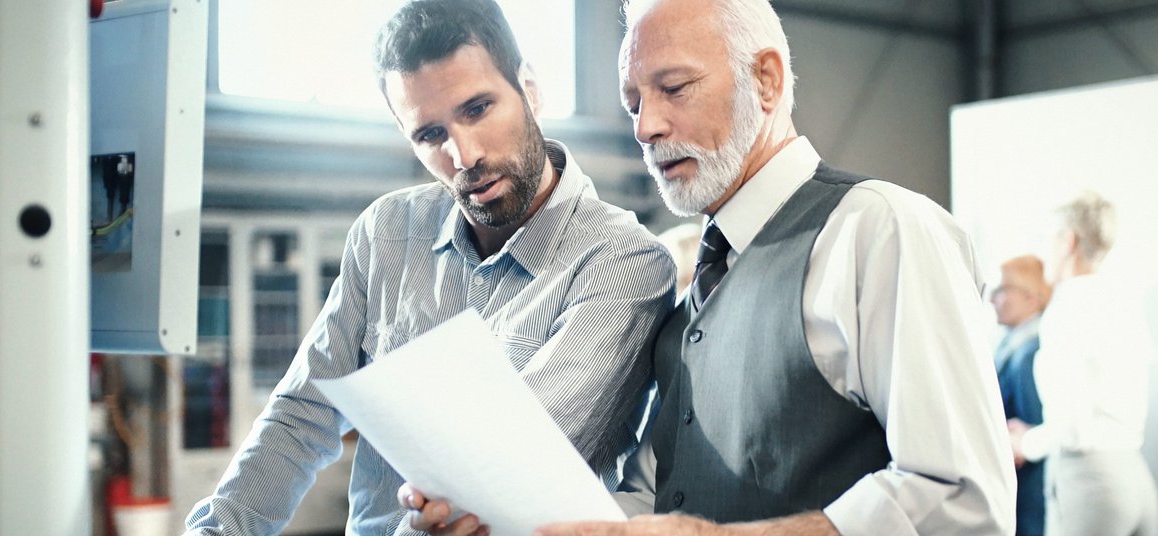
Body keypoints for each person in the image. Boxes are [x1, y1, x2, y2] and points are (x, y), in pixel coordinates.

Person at [405, 0, 1015, 533]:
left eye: (674, 88)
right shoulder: (695, 289)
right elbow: (654, 494)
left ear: (767, 80)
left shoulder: (879, 229)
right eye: (633, 102)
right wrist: (492, 514)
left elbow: (962, 500)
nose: (646, 126)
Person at [183, 0, 675, 533]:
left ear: (529, 90)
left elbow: (495, 475)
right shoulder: (388, 233)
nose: (463, 156)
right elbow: (302, 415)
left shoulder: (624, 263)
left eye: (477, 108)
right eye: (430, 135)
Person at [1008, 192, 1158, 536]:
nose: (1040, 249)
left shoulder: (1067, 310)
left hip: (1092, 484)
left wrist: (1024, 444)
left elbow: (1070, 424)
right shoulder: (1123, 303)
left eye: (1044, 238)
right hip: (1135, 476)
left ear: (1067, 241)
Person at [992, 255, 1052, 536]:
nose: (994, 300)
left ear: (1030, 298)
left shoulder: (1030, 352)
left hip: (1028, 489)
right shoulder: (1014, 345)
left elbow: (1033, 424)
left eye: (1002, 290)